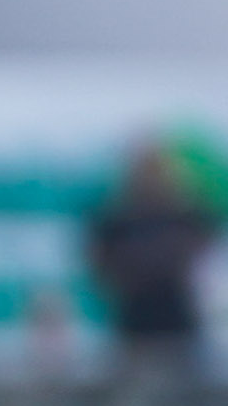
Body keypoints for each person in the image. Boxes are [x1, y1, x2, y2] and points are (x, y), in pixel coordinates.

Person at [86, 137, 218, 358]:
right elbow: (99, 262)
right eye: (145, 169)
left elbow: (206, 250)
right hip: (133, 321)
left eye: (157, 169)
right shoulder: (116, 220)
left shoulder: (186, 216)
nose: (151, 178)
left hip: (178, 317)